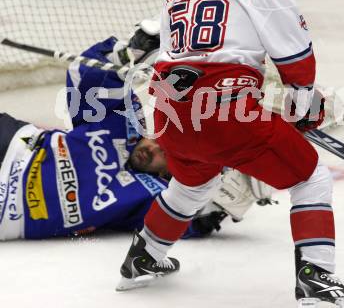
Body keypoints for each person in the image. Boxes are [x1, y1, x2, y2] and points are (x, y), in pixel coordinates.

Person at [117, 0, 344, 307]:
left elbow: (167, 51)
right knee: (310, 177)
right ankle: (316, 276)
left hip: (168, 107)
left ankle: (144, 256)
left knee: (194, 182)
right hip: (223, 106)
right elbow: (293, 50)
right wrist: (303, 102)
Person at [0, 29, 267, 241]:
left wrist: (218, 206)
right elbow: (85, 76)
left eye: (165, 155)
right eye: (161, 141)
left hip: (9, 210)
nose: (152, 148)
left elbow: (184, 218)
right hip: (15, 145)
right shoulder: (125, 124)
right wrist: (129, 53)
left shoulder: (150, 197)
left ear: (173, 172)